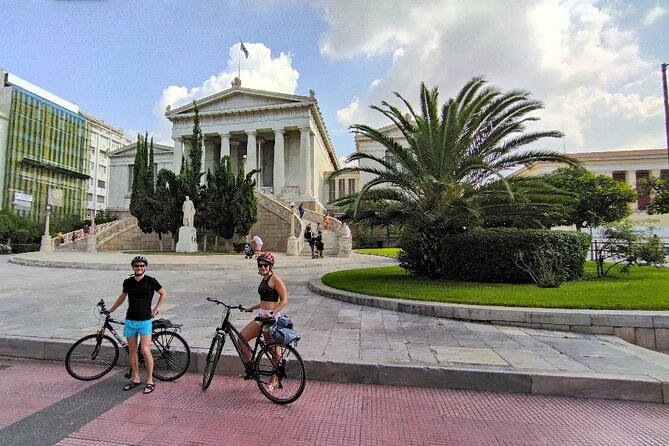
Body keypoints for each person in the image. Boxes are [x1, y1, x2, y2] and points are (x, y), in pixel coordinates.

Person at [108, 255, 167, 394]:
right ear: (133, 267)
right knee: (132, 350)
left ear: (145, 267)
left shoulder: (150, 281)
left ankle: (150, 380)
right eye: (136, 266)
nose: (139, 268)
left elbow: (163, 293)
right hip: (131, 320)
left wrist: (156, 309)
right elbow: (122, 297)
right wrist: (111, 310)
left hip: (145, 320)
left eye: (142, 265)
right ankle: (135, 378)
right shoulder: (128, 282)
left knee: (145, 351)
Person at [239, 252, 287, 389]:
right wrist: (251, 308)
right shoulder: (264, 279)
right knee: (241, 338)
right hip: (261, 317)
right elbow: (264, 302)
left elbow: (284, 300)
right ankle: (251, 368)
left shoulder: (275, 279)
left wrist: (272, 313)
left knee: (274, 351)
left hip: (271, 319)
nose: (263, 267)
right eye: (260, 265)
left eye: (265, 265)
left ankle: (273, 380)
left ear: (271, 266)